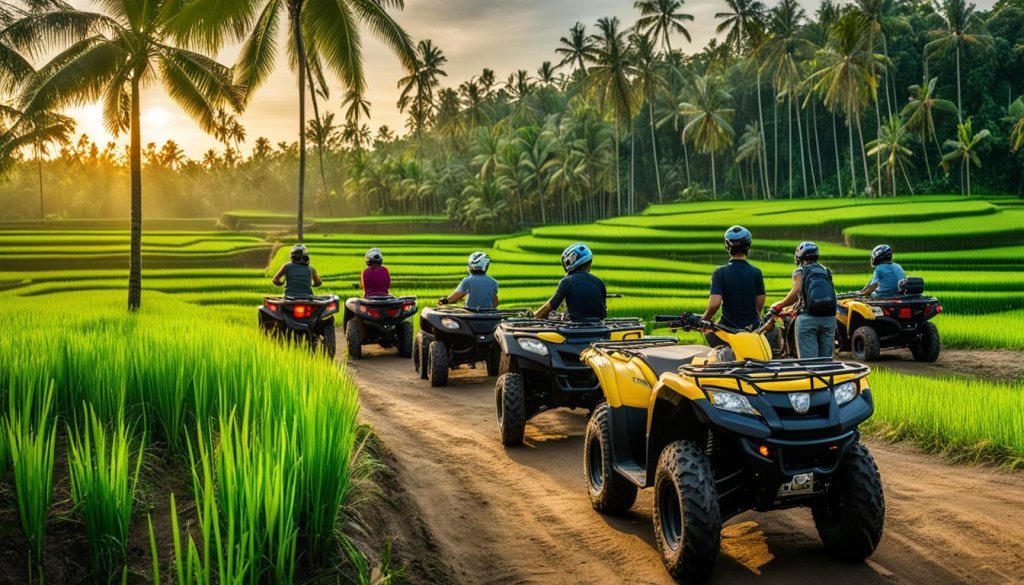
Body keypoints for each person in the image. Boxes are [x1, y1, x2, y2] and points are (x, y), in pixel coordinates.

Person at [771, 242, 837, 359]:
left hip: (808, 320)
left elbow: (796, 292)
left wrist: (781, 305)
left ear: (799, 257)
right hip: (829, 319)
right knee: (826, 362)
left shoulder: (800, 271)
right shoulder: (827, 271)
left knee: (810, 363)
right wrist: (791, 309)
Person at [701, 226, 766, 345]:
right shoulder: (756, 272)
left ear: (727, 246)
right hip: (752, 329)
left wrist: (704, 319)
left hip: (727, 328)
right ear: (748, 245)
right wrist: (756, 318)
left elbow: (715, 303)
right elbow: (760, 300)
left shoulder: (719, 272)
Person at [534, 243, 606, 321]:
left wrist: (533, 317)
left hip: (575, 330)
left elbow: (550, 307)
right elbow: (603, 311)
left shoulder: (566, 281)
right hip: (599, 329)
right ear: (589, 264)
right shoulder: (600, 283)